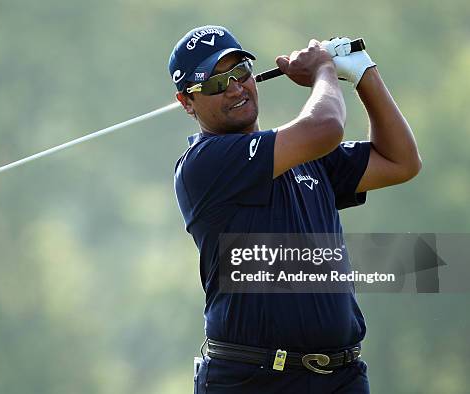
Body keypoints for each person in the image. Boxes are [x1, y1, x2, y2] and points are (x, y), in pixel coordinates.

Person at [169, 25, 421, 393]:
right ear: (186, 102)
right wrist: (323, 71)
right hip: (251, 379)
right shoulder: (203, 164)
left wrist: (365, 73)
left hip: (340, 377)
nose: (236, 88)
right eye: (215, 83)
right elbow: (325, 127)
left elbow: (401, 161)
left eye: (241, 73)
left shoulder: (306, 157)